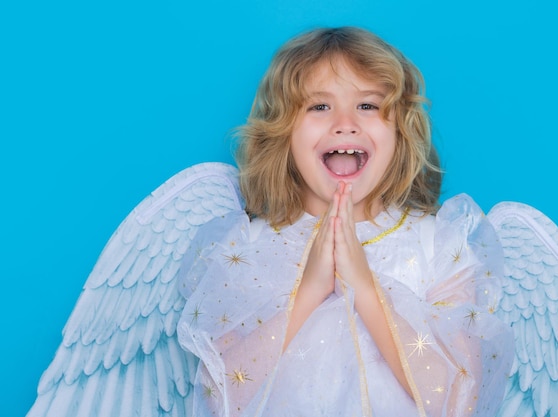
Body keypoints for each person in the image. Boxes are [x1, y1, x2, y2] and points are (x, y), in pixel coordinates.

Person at [175, 26, 515, 417]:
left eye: (368, 106)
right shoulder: (243, 246)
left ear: (400, 132)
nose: (345, 123)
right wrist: (309, 290)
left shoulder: (438, 246)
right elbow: (219, 398)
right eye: (319, 106)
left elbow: (459, 400)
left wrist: (365, 289)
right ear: (283, 132)